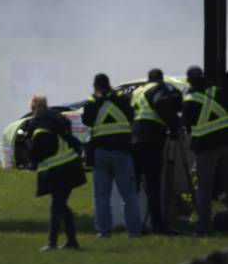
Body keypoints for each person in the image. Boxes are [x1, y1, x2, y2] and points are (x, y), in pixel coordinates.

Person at [82, 73, 142, 238]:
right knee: (129, 195)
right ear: (109, 84)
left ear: (95, 86)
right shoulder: (122, 99)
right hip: (122, 151)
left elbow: (86, 120)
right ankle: (135, 232)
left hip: (101, 152)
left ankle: (103, 231)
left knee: (102, 196)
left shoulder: (93, 102)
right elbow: (132, 116)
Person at [25, 94, 86, 251]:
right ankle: (72, 241)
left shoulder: (41, 129)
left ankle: (52, 243)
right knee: (61, 206)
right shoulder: (54, 120)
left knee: (56, 206)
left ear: (34, 109)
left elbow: (37, 153)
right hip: (69, 168)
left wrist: (29, 145)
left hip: (60, 171)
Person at [131, 69, 182, 233]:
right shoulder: (159, 89)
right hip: (151, 139)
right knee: (153, 184)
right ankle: (157, 224)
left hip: (133, 139)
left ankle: (134, 224)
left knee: (135, 185)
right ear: (160, 79)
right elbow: (160, 103)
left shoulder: (138, 91)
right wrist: (174, 125)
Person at [181, 66, 228, 236]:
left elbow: (187, 125)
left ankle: (203, 227)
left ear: (189, 81)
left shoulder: (190, 99)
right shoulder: (219, 91)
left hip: (206, 147)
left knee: (204, 189)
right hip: (226, 142)